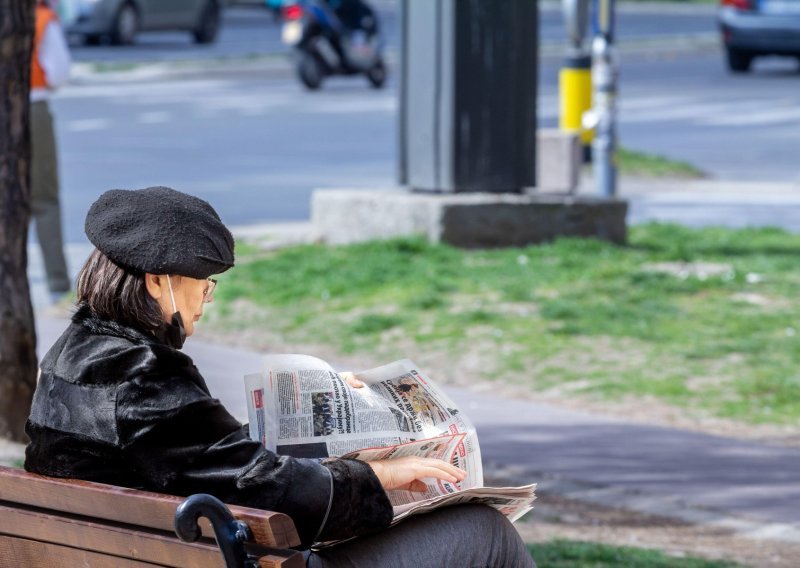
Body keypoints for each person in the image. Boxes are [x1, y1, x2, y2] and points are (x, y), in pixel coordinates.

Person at [25, 186, 536, 567]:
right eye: (203, 284)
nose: (207, 299)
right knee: (483, 533)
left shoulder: (70, 356)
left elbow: (195, 460)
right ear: (158, 281)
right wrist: (378, 477)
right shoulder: (143, 374)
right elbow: (267, 492)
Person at [30, 0, 72, 302]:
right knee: (44, 200)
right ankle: (57, 284)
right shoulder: (42, 18)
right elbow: (58, 72)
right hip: (31, 106)